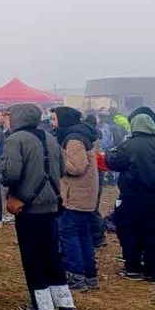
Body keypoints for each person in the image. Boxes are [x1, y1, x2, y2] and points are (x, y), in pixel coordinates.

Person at [0, 103, 75, 310]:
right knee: (52, 254)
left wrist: (4, 179)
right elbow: (62, 170)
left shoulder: (16, 140)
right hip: (51, 204)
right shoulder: (50, 137)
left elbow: (10, 174)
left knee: (33, 256)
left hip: (28, 206)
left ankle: (42, 306)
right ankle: (65, 304)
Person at [106, 113, 155, 282]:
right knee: (154, 233)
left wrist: (108, 154)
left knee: (129, 231)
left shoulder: (128, 146)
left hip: (132, 197)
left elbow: (113, 163)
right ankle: (153, 270)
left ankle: (133, 268)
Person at [50, 107, 100, 291]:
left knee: (69, 234)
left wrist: (57, 161)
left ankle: (76, 274)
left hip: (75, 195)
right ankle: (89, 274)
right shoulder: (82, 135)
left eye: (54, 119)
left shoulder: (73, 140)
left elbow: (76, 168)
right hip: (84, 194)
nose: (52, 123)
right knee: (83, 234)